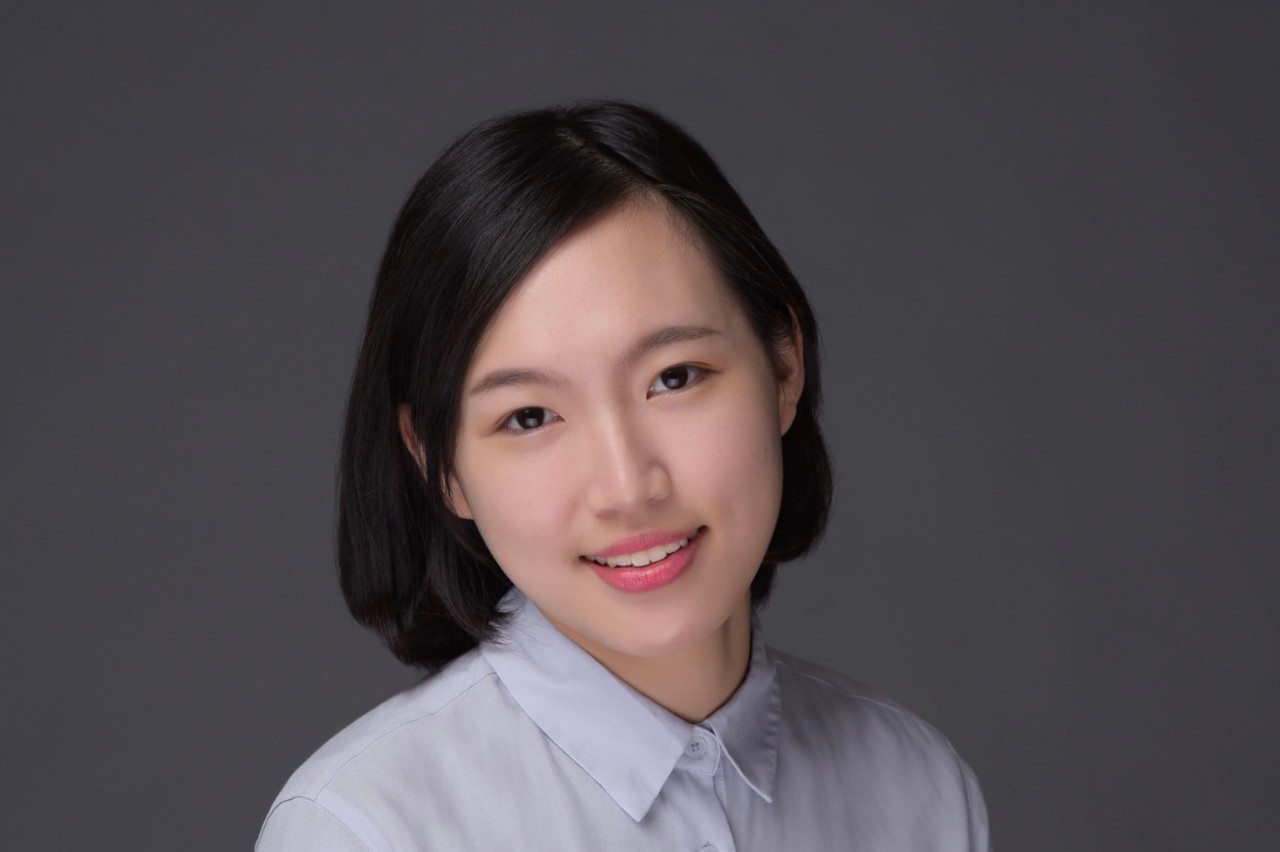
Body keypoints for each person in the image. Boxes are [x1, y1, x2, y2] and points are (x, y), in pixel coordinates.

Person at [256, 100, 990, 851]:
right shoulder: (363, 829)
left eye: (675, 377)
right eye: (531, 417)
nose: (628, 487)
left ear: (783, 365)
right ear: (437, 464)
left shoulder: (918, 789)